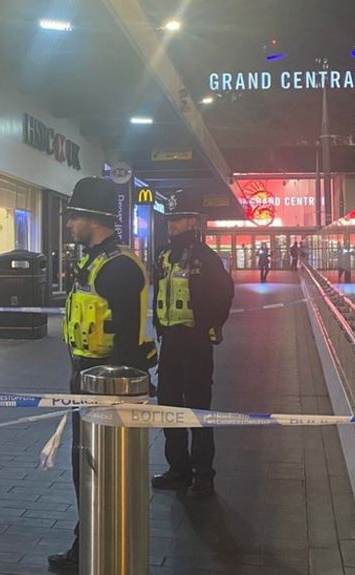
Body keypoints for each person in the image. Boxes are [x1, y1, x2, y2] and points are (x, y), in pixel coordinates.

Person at [48, 177, 156, 574]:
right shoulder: (96, 262)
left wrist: (119, 394)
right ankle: (87, 539)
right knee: (85, 466)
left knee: (100, 468)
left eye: (72, 217)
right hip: (88, 380)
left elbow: (127, 338)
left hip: (107, 387)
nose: (68, 225)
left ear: (92, 219)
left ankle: (98, 546)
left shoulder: (118, 268)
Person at [150, 203, 234, 500]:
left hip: (195, 341)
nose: (172, 224)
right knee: (168, 404)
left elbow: (224, 292)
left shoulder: (206, 258)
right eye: (170, 219)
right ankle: (178, 469)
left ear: (193, 220)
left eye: (178, 219)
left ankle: (203, 475)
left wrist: (212, 325)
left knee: (198, 408)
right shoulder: (163, 255)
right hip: (171, 341)